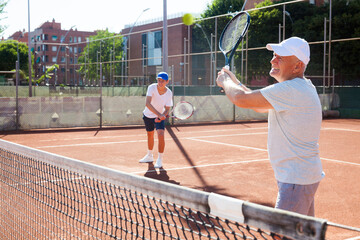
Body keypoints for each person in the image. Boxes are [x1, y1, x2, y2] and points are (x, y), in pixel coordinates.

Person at [216, 37, 324, 216]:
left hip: (296, 179)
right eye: (274, 55)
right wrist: (234, 82)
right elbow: (257, 104)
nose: (272, 60)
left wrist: (225, 82)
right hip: (299, 177)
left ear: (297, 66)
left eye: (280, 57)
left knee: (279, 233)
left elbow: (242, 99)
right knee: (302, 234)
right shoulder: (300, 87)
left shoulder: (291, 89)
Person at [139, 72, 173, 168]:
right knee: (150, 135)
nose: (160, 82)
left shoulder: (169, 93)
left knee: (161, 134)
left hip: (159, 116)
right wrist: (159, 115)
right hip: (147, 115)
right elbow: (147, 103)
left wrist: (161, 116)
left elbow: (167, 109)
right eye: (159, 80)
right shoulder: (151, 87)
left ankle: (160, 159)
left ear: (167, 81)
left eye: (162, 81)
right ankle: (149, 155)